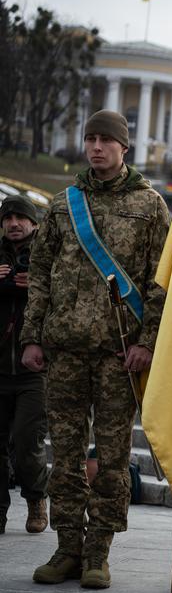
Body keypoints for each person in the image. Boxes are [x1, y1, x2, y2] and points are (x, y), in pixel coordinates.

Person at [21, 110, 170, 588]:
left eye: (107, 140)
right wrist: (32, 336)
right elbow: (40, 274)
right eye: (90, 139)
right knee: (64, 455)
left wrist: (147, 342)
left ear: (124, 147)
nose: (97, 148)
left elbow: (160, 283)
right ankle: (67, 547)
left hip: (116, 353)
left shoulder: (149, 207)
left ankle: (98, 553)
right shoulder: (64, 204)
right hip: (62, 350)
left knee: (110, 456)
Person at [0, 195, 49, 536]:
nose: (14, 223)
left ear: (34, 223)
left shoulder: (47, 255)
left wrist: (39, 286)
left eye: (21, 218)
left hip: (35, 369)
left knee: (27, 442)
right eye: (8, 218)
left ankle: (36, 498)